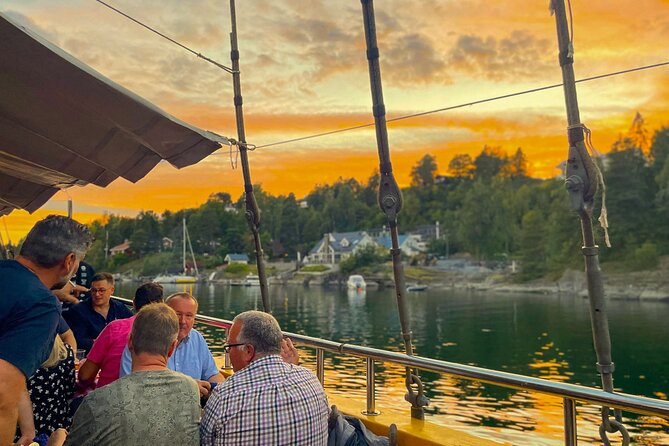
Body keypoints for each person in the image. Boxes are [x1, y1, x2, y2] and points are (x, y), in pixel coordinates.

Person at [0, 215, 93, 445]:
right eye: (79, 261)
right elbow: (2, 393)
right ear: (69, 261)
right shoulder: (41, 304)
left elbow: (11, 364)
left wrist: (28, 428)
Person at [51, 303, 200, 446]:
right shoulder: (190, 389)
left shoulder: (98, 401)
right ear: (172, 348)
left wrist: (55, 442)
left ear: (129, 343)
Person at [200, 311, 329, 445]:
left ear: (248, 351)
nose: (229, 353)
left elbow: (204, 441)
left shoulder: (224, 397)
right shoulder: (311, 380)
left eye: (229, 347)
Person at [120, 292, 223, 397]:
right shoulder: (143, 340)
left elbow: (212, 374)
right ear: (165, 313)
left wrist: (221, 389)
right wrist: (187, 388)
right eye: (177, 314)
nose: (183, 321)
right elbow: (131, 387)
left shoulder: (197, 339)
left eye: (189, 315)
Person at [79, 282, 164, 388]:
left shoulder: (115, 328)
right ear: (163, 305)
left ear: (134, 303)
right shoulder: (167, 332)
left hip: (108, 397)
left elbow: (85, 376)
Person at [15, 336, 75, 444]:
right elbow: (70, 392)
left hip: (19, 432)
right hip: (59, 427)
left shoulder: (12, 362)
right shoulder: (66, 352)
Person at [64, 272, 133, 353]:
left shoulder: (120, 308)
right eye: (93, 290)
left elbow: (133, 327)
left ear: (112, 290)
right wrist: (102, 343)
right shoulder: (78, 311)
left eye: (101, 290)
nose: (97, 294)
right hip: (89, 355)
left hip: (117, 354)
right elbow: (77, 340)